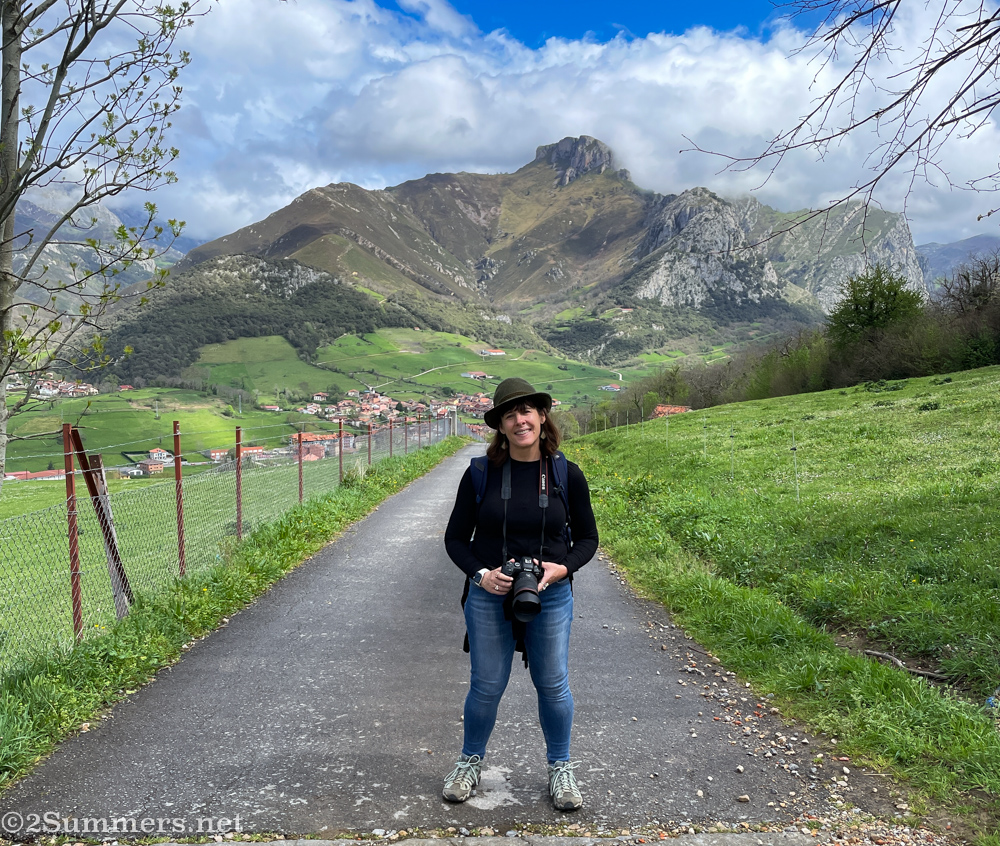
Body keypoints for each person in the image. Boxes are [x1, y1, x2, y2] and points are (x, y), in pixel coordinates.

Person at [442, 377, 599, 811]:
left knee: (552, 684)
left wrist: (562, 567)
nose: (519, 420)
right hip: (490, 593)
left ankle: (561, 768)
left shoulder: (567, 474)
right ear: (500, 426)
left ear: (542, 416)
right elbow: (455, 540)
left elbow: (588, 538)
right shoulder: (479, 474)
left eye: (526, 411)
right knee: (486, 685)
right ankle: (469, 762)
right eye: (510, 414)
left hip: (550, 594)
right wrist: (480, 575)